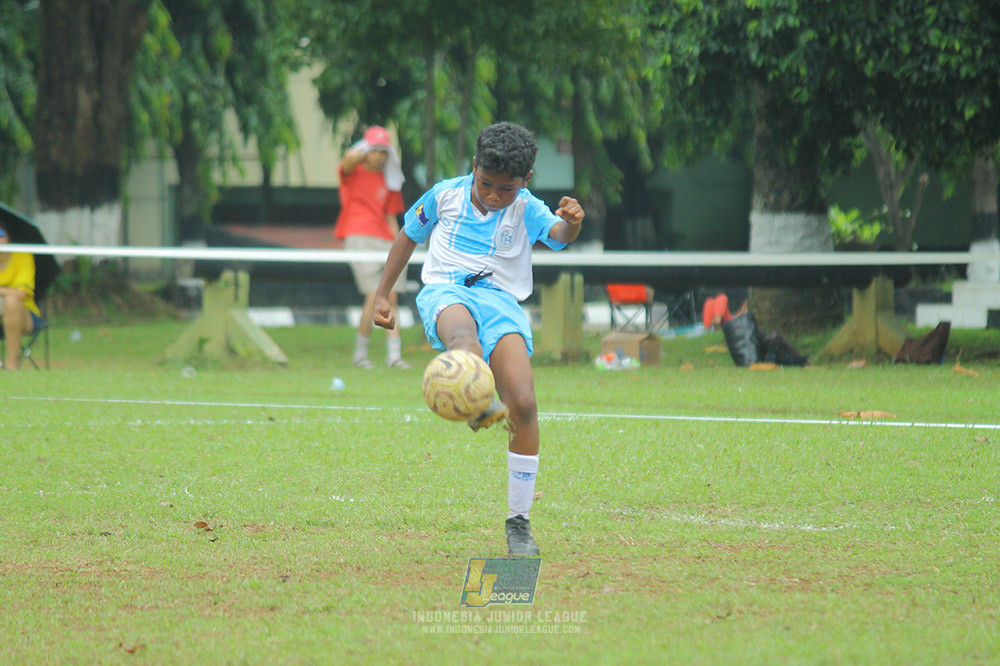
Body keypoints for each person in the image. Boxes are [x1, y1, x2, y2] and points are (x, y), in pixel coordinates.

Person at [372, 122, 585, 557]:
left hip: (501, 302)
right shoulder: (445, 195)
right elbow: (407, 237)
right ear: (474, 166)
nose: (492, 195)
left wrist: (573, 223)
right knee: (464, 339)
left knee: (524, 403)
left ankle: (519, 523)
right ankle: (479, 399)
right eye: (485, 183)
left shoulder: (526, 207)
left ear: (525, 182)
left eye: (505, 189)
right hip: (446, 290)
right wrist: (381, 294)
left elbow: (560, 239)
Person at [334, 125, 410, 369]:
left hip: (385, 240)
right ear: (365, 150)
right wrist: (366, 147)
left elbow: (390, 216)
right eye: (374, 151)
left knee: (391, 297)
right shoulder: (353, 171)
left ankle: (394, 356)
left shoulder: (390, 180)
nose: (378, 156)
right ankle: (361, 354)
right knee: (372, 295)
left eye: (383, 151)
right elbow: (347, 159)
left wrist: (398, 245)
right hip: (359, 237)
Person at [0, 221, 42, 371]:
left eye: (1, 234)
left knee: (12, 301)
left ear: (9, 237)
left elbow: (21, 293)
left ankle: (11, 364)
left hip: (24, 316)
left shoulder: (22, 256)